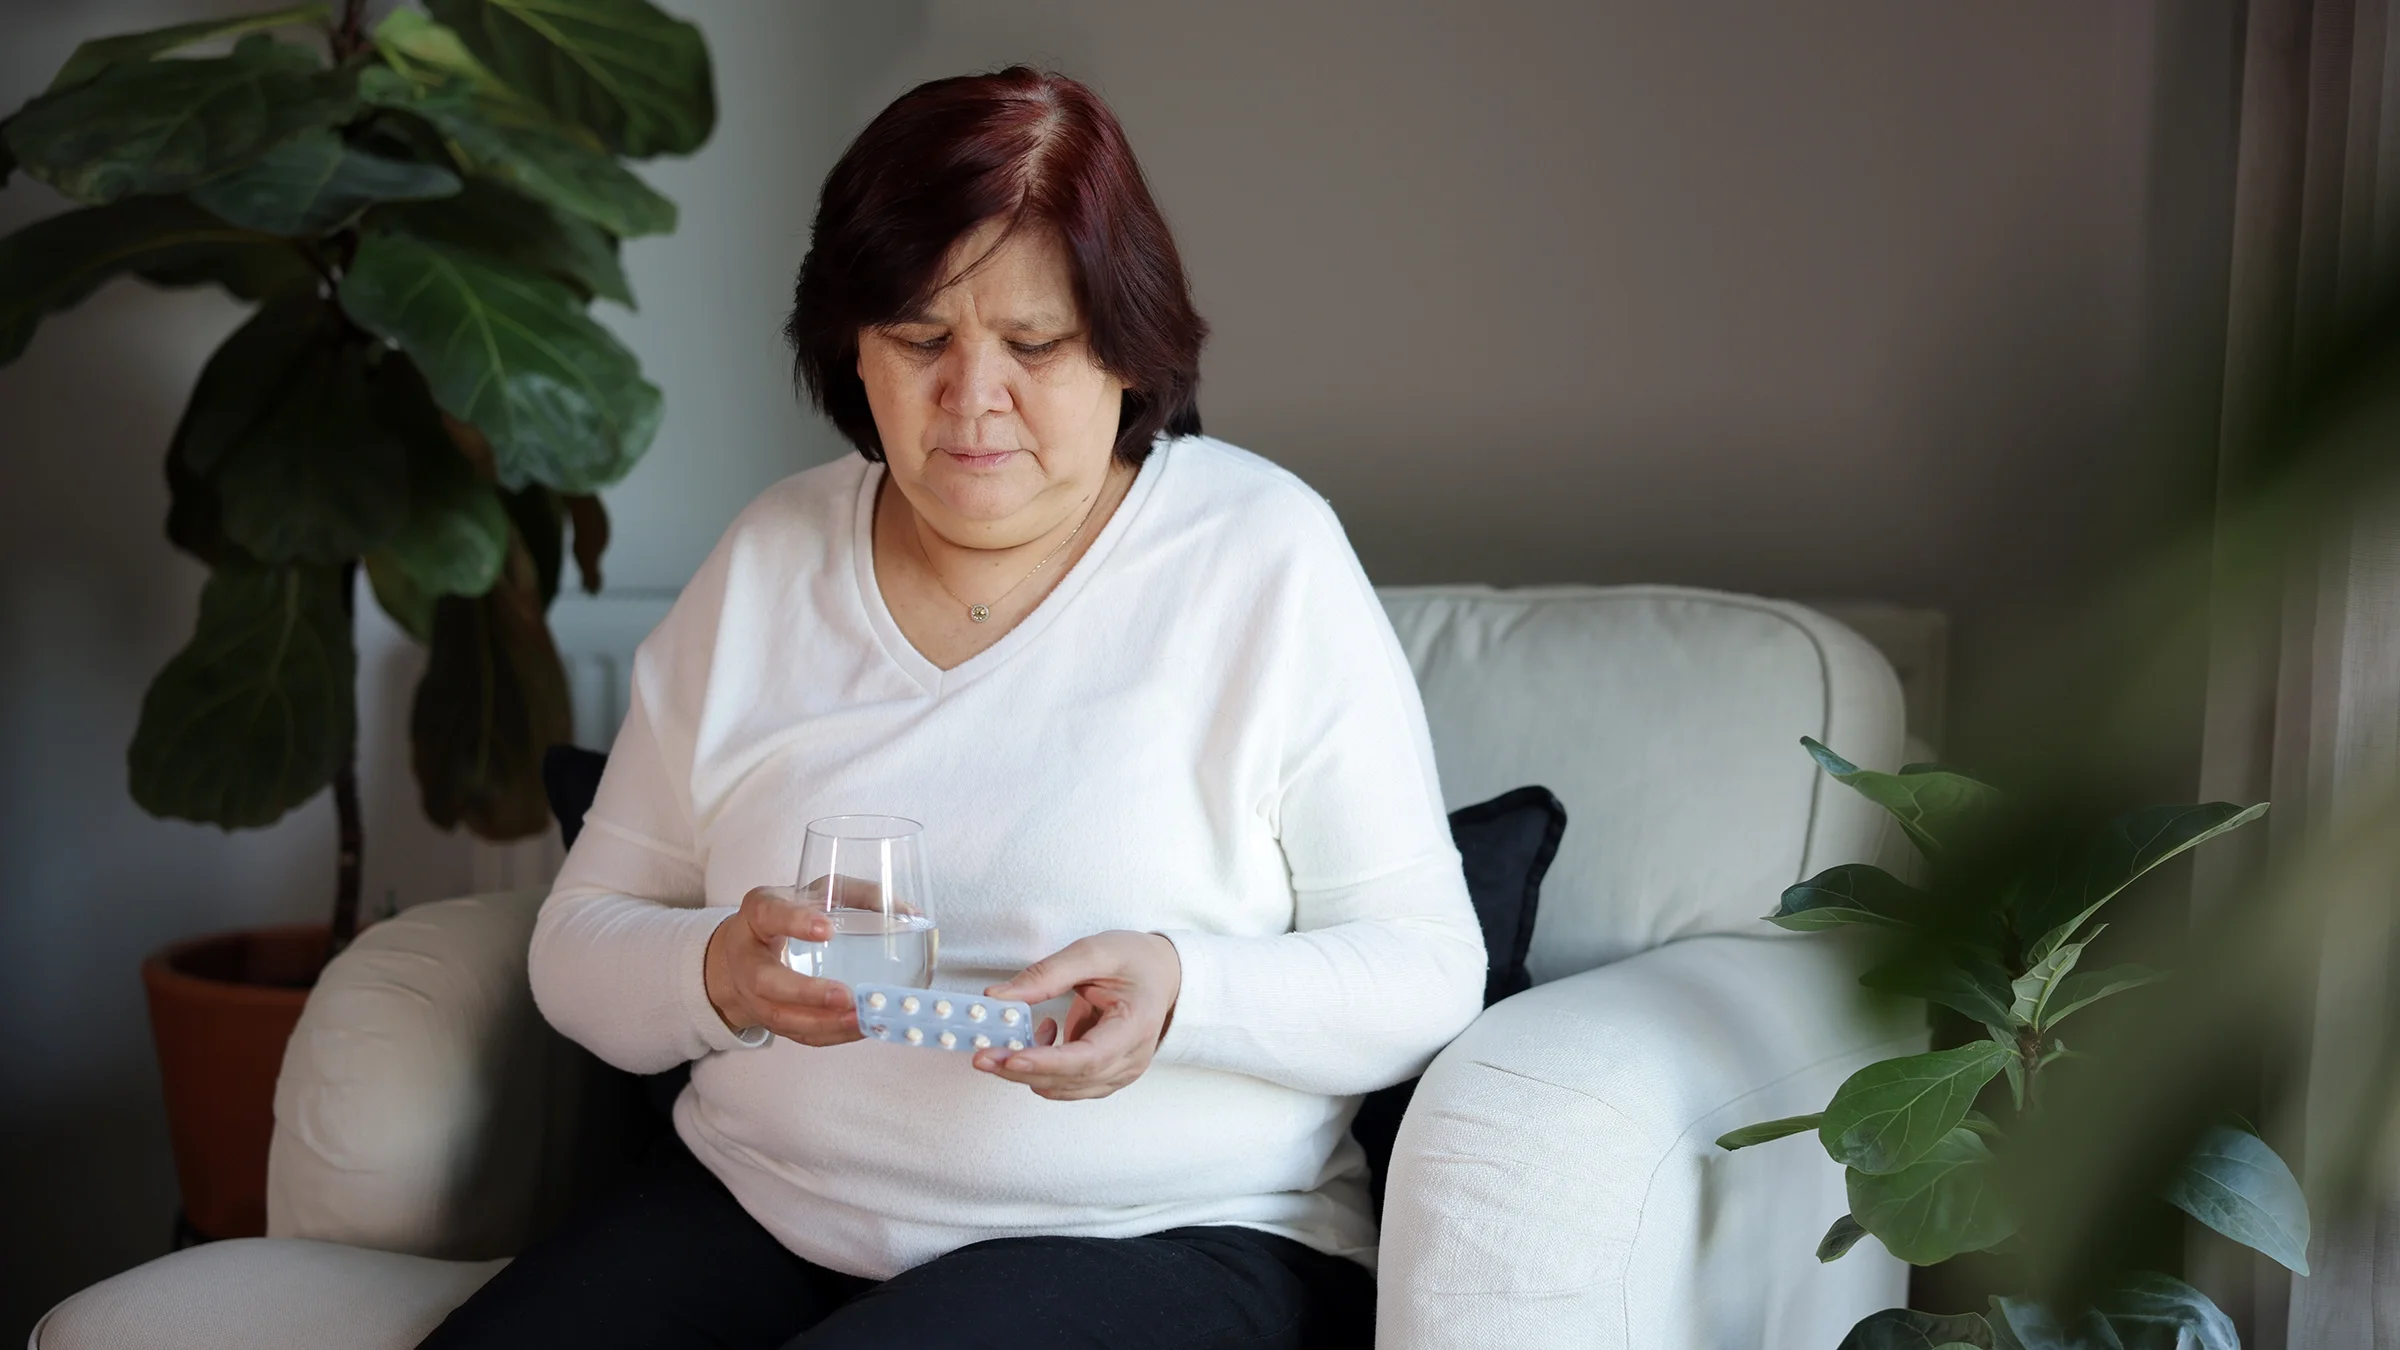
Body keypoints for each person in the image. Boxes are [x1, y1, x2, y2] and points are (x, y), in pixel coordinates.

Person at [420, 66, 1484, 1350]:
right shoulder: (769, 559)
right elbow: (578, 943)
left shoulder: (1260, 556)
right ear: (851, 351)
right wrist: (720, 972)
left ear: (1124, 349)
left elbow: (1430, 970)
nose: (973, 398)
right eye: (922, 341)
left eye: (1033, 344)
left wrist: (1182, 992)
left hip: (1166, 1236)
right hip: (764, 1207)